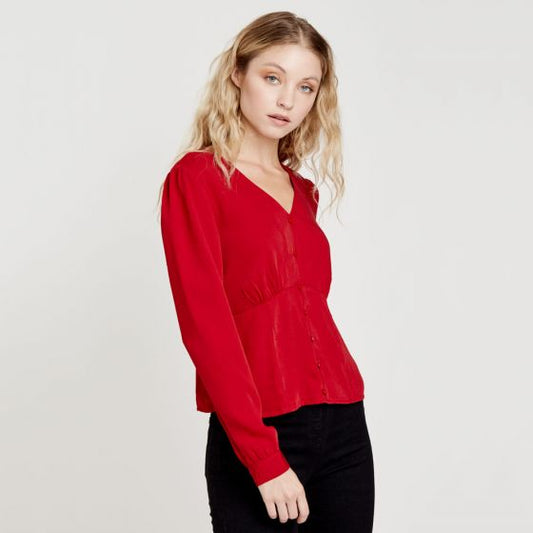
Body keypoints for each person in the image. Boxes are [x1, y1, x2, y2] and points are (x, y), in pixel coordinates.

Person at [158, 11, 374, 532]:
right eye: (272, 77)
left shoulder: (304, 192)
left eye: (305, 87)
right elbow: (205, 327)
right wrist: (262, 457)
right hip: (260, 428)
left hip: (344, 424)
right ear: (238, 73)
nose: (287, 101)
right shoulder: (197, 179)